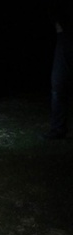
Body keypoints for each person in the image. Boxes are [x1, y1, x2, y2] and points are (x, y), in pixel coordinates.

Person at [42, 0, 72, 140]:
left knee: (59, 84)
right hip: (64, 36)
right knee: (58, 84)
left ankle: (58, 128)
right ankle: (58, 129)